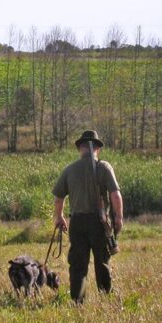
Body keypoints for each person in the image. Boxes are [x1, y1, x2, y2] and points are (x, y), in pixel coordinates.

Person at [52, 130, 123, 303]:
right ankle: (106, 297)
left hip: (76, 222)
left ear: (80, 148)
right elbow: (115, 195)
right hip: (99, 223)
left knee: (78, 265)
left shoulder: (69, 170)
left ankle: (77, 300)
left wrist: (59, 217)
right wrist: (118, 218)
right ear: (97, 148)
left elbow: (58, 198)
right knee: (102, 262)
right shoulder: (104, 167)